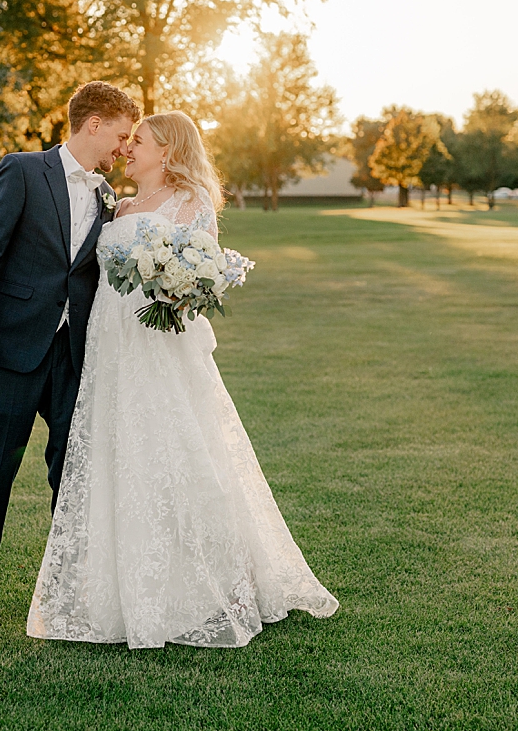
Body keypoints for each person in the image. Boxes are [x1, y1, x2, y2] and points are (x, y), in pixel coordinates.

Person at [28, 109, 339, 649]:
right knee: (118, 452)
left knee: (174, 450)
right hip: (111, 344)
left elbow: (206, 274)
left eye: (138, 141)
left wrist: (180, 291)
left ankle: (201, 585)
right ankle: (116, 590)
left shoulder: (192, 204)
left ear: (167, 150)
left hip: (158, 346)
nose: (127, 148)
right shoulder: (118, 206)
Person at [0, 80, 140, 629]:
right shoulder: (22, 170)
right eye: (121, 135)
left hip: (74, 354)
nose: (124, 148)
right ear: (93, 124)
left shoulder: (109, 197)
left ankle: (68, 584)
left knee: (73, 471)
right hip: (10, 350)